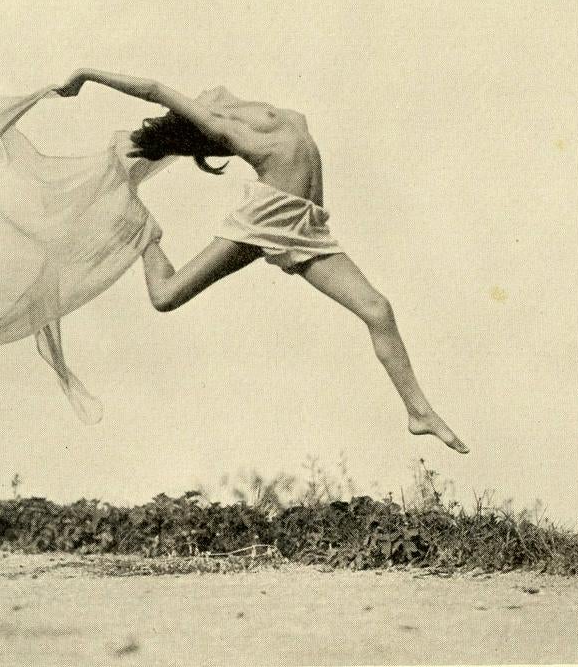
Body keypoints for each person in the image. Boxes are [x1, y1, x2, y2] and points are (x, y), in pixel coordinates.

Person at [58, 69, 469, 454]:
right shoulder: (230, 130)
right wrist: (87, 74)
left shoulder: (228, 103)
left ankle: (418, 412)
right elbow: (152, 88)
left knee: (378, 309)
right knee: (166, 296)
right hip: (267, 218)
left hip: (306, 224)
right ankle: (143, 233)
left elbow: (200, 96)